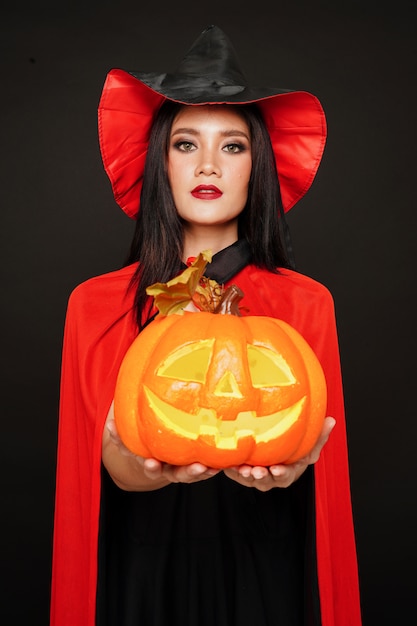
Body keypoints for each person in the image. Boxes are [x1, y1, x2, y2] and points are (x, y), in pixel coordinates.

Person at [50, 25, 362, 626]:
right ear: (160, 161)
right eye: (187, 144)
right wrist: (133, 467)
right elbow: (92, 470)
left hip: (267, 570)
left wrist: (295, 468)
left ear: (258, 166)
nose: (209, 165)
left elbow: (318, 478)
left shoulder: (307, 304)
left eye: (234, 146)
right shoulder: (93, 306)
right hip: (139, 571)